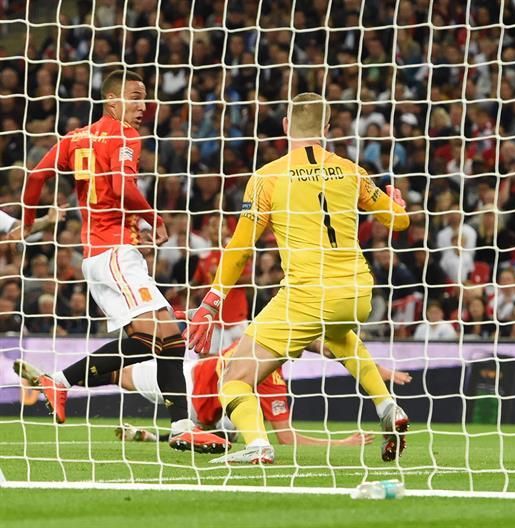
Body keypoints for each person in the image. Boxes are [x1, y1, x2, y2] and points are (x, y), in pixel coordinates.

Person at [184, 93, 411, 464]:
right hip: (358, 293)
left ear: (287, 125)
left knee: (234, 377)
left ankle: (257, 444)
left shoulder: (267, 177)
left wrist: (210, 303)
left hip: (306, 295)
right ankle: (387, 405)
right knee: (339, 335)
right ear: (325, 129)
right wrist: (396, 204)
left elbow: (241, 249)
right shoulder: (352, 171)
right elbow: (399, 222)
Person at [21, 70, 228, 454]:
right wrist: (154, 216)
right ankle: (61, 381)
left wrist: (29, 221)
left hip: (99, 255)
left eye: (146, 98)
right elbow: (121, 186)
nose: (142, 106)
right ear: (112, 100)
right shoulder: (125, 136)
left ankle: (183, 426)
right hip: (115, 252)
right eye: (135, 97)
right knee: (153, 337)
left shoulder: (73, 138)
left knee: (169, 340)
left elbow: (35, 176)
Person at [14, 336, 412, 447]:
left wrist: (379, 368)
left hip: (184, 382)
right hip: (182, 380)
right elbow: (288, 437)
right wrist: (344, 443)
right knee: (118, 373)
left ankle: (55, 380)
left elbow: (315, 343)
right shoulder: (266, 364)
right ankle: (55, 380)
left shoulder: (254, 342)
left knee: (231, 429)